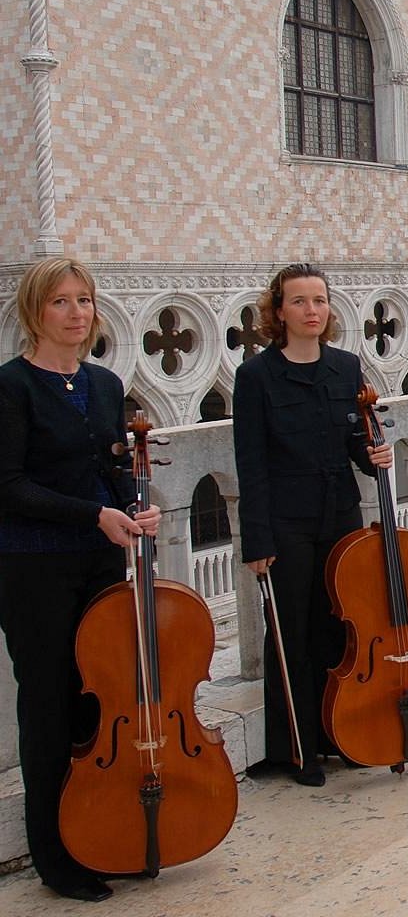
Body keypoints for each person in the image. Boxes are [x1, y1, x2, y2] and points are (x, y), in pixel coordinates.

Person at [0, 258, 161, 902]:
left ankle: (101, 831)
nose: (76, 313)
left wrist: (133, 504)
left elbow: (110, 465)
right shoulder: (12, 387)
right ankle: (54, 854)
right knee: (48, 701)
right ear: (35, 311)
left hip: (98, 557)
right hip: (33, 563)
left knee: (99, 701)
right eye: (61, 302)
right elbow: (10, 486)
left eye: (85, 301)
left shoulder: (101, 383)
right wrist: (95, 513)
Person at [233, 263, 393, 787]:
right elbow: (250, 464)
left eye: (319, 301)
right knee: (292, 634)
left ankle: (335, 733)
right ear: (278, 311)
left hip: (339, 516)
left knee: (338, 630)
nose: (311, 311)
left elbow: (355, 445)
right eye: (299, 302)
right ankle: (294, 748)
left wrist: (375, 456)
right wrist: (256, 539)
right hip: (286, 522)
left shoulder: (346, 368)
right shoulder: (256, 376)